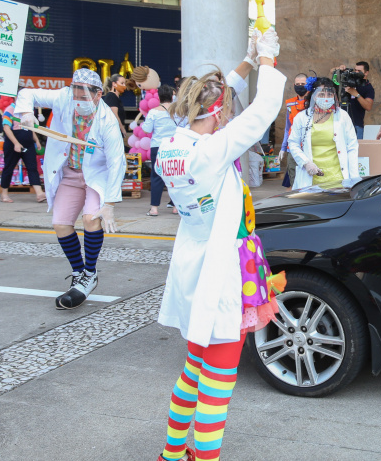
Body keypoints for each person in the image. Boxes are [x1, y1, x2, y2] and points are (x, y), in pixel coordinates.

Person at [153, 28, 286, 461]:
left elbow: (217, 94)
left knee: (193, 370)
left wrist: (246, 62)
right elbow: (265, 109)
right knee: (218, 383)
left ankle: (172, 456)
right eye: (224, 111)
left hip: (192, 266)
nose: (229, 116)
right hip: (221, 272)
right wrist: (268, 58)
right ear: (216, 113)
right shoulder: (211, 150)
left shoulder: (171, 145)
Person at [13, 68, 125, 310]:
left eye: (85, 96)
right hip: (70, 172)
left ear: (98, 95)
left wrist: (110, 204)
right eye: (76, 94)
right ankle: (78, 272)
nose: (79, 100)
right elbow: (27, 93)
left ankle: (91, 274)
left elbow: (117, 162)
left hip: (97, 176)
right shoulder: (63, 98)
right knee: (61, 223)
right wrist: (25, 113)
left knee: (91, 219)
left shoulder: (107, 121)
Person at [288, 78, 359, 189]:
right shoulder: (302, 117)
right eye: (321, 94)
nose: (325, 98)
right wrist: (306, 163)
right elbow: (293, 143)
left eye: (329, 94)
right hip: (311, 178)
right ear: (313, 96)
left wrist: (355, 179)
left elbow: (352, 147)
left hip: (338, 178)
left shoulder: (342, 116)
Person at [0, 97, 45, 203]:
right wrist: (16, 143)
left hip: (28, 143)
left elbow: (30, 127)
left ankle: (39, 193)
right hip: (13, 142)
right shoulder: (9, 110)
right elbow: (6, 128)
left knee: (32, 167)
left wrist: (36, 140)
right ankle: (4, 194)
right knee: (9, 168)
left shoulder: (28, 110)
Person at [142, 84, 178, 216]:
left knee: (156, 176)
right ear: (172, 96)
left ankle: (154, 209)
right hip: (174, 146)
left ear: (159, 97)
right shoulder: (178, 111)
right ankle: (175, 207)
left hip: (158, 146)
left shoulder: (153, 112)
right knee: (175, 175)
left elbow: (146, 129)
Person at [278, 73, 308, 188]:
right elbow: (287, 127)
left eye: (303, 84)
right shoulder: (290, 103)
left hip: (308, 146)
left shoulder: (313, 102)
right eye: (298, 84)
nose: (300, 86)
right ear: (294, 85)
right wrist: (283, 148)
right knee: (294, 179)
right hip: (293, 147)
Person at [332, 61, 375, 139]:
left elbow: (368, 106)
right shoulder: (349, 79)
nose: (356, 73)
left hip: (356, 124)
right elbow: (332, 71)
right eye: (355, 70)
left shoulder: (368, 87)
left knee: (356, 150)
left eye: (359, 71)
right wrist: (339, 69)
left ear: (366, 73)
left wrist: (356, 94)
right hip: (341, 124)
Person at [102, 73, 128, 139]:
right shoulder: (111, 96)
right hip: (113, 131)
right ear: (114, 84)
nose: (124, 86)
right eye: (122, 83)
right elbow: (114, 115)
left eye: (124, 83)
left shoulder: (115, 97)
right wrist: (122, 129)